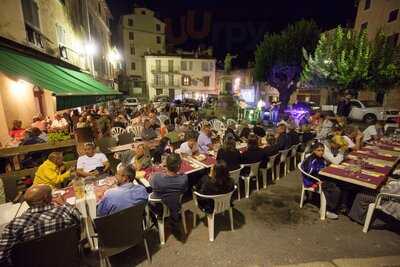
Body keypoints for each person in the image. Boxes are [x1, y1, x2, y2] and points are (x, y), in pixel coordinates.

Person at [0, 184, 81, 265]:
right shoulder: (64, 212)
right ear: (47, 198)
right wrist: (64, 203)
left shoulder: (13, 227)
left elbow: (2, 257)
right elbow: (80, 219)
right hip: (67, 261)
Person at [150, 153, 188, 241]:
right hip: (176, 205)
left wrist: (162, 171)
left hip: (159, 208)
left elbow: (151, 183)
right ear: (178, 166)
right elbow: (184, 188)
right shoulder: (184, 178)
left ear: (166, 165)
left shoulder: (157, 178)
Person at [301, 142, 341, 219]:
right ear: (313, 150)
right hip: (312, 182)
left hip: (320, 178)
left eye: (322, 150)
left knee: (337, 183)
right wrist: (318, 180)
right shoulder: (311, 160)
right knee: (335, 189)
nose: (321, 152)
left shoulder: (321, 158)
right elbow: (309, 173)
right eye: (318, 150)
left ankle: (336, 204)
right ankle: (327, 210)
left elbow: (321, 168)